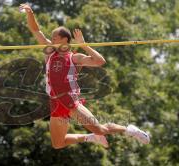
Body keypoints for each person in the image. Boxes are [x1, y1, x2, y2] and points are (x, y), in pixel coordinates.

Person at [19, 4, 150, 149]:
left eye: (54, 37)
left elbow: (100, 61)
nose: (51, 40)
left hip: (70, 100)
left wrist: (84, 45)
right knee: (58, 143)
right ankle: (91, 138)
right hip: (55, 102)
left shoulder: (75, 57)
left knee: (101, 129)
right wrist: (30, 13)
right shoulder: (49, 51)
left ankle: (129, 130)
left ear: (64, 40)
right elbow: (36, 30)